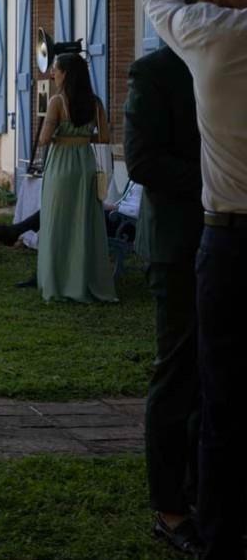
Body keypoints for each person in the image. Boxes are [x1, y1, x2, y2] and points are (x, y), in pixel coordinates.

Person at [144, 0, 247, 560]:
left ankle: (218, 536)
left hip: (228, 238)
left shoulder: (212, 33)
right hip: (215, 237)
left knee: (223, 394)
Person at [121, 46, 205, 556]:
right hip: (179, 242)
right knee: (178, 373)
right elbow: (143, 159)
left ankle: (209, 490)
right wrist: (222, 183)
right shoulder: (157, 71)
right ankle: (171, 508)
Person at [34, 53, 115, 302]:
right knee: (84, 220)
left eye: (56, 70)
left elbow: (44, 139)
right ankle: (83, 278)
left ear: (66, 74)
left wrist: (59, 133)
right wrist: (82, 139)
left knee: (57, 221)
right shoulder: (95, 102)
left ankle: (57, 281)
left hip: (61, 164)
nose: (52, 74)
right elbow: (104, 138)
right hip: (85, 163)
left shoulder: (58, 101)